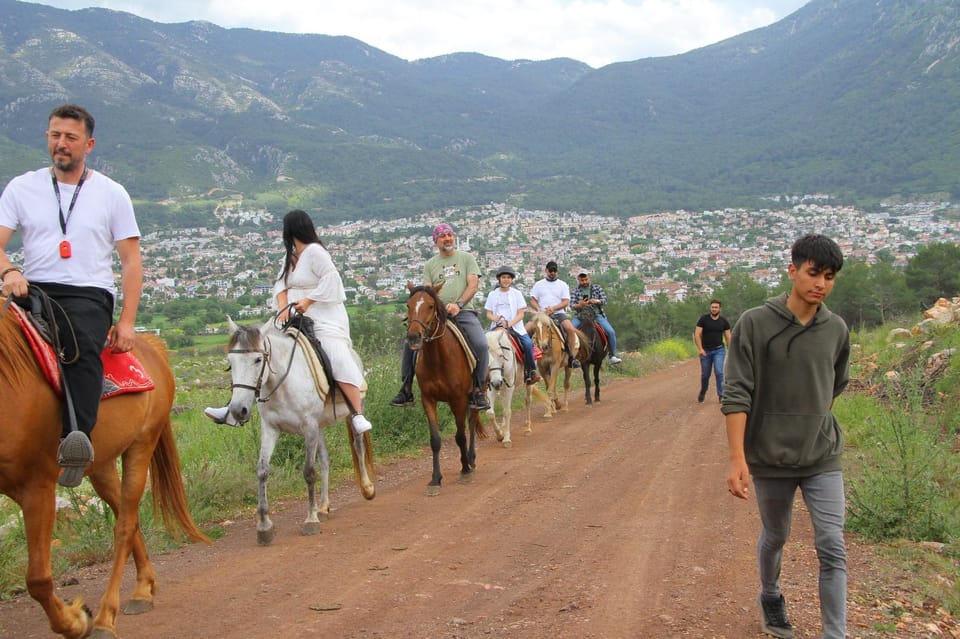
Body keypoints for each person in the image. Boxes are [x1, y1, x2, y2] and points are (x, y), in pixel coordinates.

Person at [0, 103, 143, 488]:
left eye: (70, 138)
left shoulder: (112, 194)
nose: (61, 144)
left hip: (87, 294)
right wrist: (9, 270)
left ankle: (75, 438)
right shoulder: (21, 187)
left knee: (78, 347)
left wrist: (126, 321)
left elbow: (131, 261)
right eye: (55, 135)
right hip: (33, 288)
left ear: (88, 144)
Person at [723, 234, 849, 639]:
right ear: (792, 270)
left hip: (821, 455)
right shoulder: (755, 323)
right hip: (770, 457)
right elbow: (737, 393)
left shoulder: (836, 329)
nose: (821, 284)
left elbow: (833, 387)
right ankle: (771, 595)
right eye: (814, 273)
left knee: (832, 543)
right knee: (776, 534)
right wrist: (738, 458)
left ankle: (836, 633)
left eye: (829, 277)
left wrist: (810, 421)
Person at [205, 210, 373, 435]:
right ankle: (232, 408)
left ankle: (356, 413)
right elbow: (279, 285)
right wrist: (284, 306)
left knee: (336, 353)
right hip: (292, 316)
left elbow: (332, 280)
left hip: (323, 316)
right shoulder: (290, 257)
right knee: (257, 350)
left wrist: (308, 300)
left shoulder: (316, 252)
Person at [389, 223, 490, 410]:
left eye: (450, 235)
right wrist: (439, 308)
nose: (447, 238)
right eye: (443, 236)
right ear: (436, 241)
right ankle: (406, 388)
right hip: (437, 315)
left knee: (482, 345)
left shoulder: (467, 258)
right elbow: (428, 292)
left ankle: (477, 389)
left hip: (464, 312)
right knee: (410, 343)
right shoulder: (430, 265)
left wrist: (459, 305)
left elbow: (473, 285)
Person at [485, 265, 539, 385]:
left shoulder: (517, 294)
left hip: (515, 326)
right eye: (503, 277)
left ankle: (530, 371)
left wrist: (509, 324)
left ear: (512, 279)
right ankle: (481, 375)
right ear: (499, 279)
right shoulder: (492, 294)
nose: (506, 280)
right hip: (496, 326)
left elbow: (521, 314)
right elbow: (488, 313)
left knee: (527, 344)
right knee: (482, 345)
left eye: (509, 277)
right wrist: (495, 319)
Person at [528, 260, 580, 368]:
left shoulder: (562, 285)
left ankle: (571, 357)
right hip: (542, 314)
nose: (552, 272)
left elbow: (566, 301)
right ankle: (528, 357)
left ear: (557, 271)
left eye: (554, 270)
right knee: (526, 329)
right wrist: (539, 308)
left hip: (558, 313)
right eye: (550, 270)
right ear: (546, 271)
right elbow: (532, 299)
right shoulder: (539, 284)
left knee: (570, 329)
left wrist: (553, 308)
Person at [570, 269, 623, 364]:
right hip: (580, 316)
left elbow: (605, 300)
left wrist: (596, 301)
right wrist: (580, 305)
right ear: (578, 279)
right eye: (582, 280)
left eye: (586, 279)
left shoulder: (597, 288)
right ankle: (571, 357)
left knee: (610, 332)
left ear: (589, 278)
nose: (584, 282)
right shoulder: (575, 291)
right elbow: (572, 306)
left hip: (597, 315)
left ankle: (612, 355)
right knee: (569, 331)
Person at [694, 299, 732, 402]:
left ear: (720, 309)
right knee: (705, 375)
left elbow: (728, 337)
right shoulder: (703, 319)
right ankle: (703, 391)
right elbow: (697, 334)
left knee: (719, 373)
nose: (714, 309)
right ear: (710, 308)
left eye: (716, 307)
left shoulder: (723, 321)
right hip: (705, 351)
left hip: (719, 350)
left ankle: (721, 395)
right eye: (712, 307)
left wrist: (730, 350)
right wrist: (700, 349)